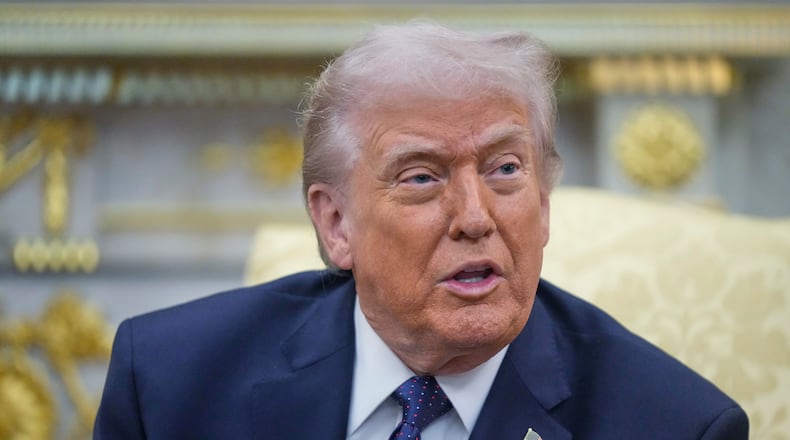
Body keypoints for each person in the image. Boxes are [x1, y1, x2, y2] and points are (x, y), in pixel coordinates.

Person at [94, 21, 748, 439]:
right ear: (336, 223)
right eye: (421, 177)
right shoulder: (168, 384)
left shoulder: (674, 425)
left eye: (505, 169)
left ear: (544, 205)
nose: (474, 217)